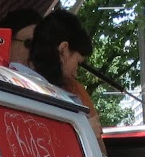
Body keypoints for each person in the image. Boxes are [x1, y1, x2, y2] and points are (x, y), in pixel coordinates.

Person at [30, 9, 103, 141]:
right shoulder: (28, 91)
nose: (75, 73)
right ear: (63, 50)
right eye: (77, 63)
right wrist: (83, 130)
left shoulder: (16, 82)